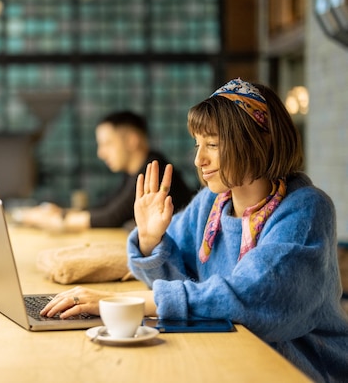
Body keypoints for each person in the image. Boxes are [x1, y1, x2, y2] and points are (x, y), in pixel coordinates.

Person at [41, 78, 348, 382]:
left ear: (259, 141)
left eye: (212, 144)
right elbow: (177, 283)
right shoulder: (210, 205)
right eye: (197, 144)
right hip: (230, 356)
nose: (199, 159)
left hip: (300, 370)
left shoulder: (306, 209)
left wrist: (125, 304)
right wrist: (150, 241)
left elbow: (256, 297)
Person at [20, 110, 195, 231]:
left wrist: (56, 220)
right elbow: (107, 205)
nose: (101, 153)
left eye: (107, 144)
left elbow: (112, 217)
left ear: (132, 140)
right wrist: (62, 212)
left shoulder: (154, 169)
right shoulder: (134, 171)